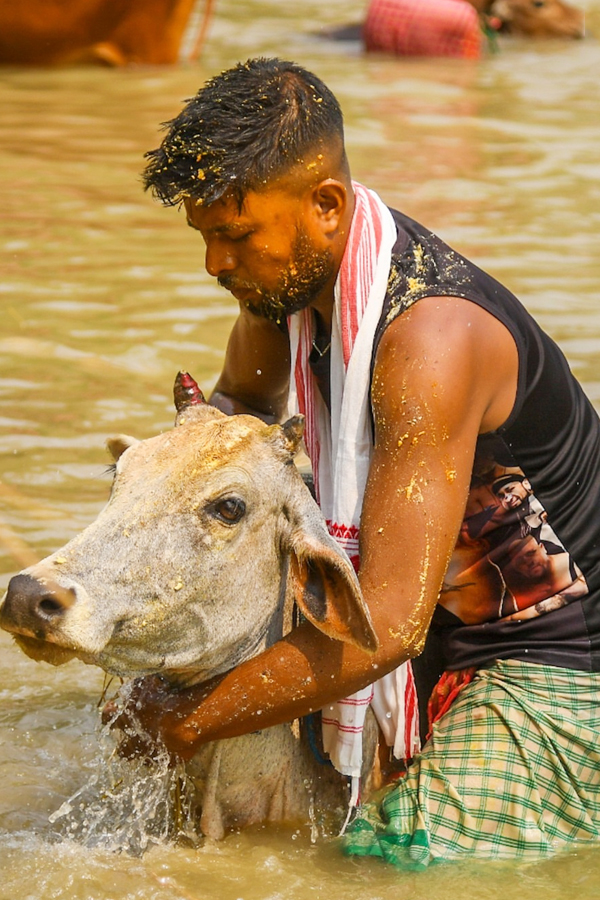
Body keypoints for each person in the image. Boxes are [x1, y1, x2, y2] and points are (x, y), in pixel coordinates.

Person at [109, 57, 600, 867]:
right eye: (204, 237)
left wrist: (189, 717)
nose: (214, 265)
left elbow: (386, 627)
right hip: (431, 628)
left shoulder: (431, 341)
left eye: (234, 236)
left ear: (327, 207)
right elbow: (235, 426)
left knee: (383, 860)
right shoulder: (284, 295)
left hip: (555, 666)